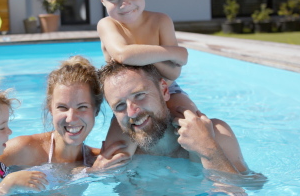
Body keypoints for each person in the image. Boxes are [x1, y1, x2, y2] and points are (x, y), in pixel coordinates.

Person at [92, 0, 197, 159]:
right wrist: (170, 53)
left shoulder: (160, 21)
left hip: (169, 88)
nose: (125, 3)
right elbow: (123, 55)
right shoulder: (107, 25)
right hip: (126, 99)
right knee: (115, 155)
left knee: (195, 124)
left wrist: (159, 59)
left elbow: (173, 75)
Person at [98, 61, 251, 175]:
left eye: (140, 95)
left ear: (164, 90)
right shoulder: (118, 158)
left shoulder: (217, 135)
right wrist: (93, 174)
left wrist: (209, 150)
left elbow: (251, 189)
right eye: (119, 106)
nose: (132, 112)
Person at [0, 55, 124, 170]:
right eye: (62, 107)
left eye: (82, 107)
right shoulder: (24, 150)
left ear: (96, 109)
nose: (71, 118)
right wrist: (6, 186)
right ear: (50, 109)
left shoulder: (98, 162)